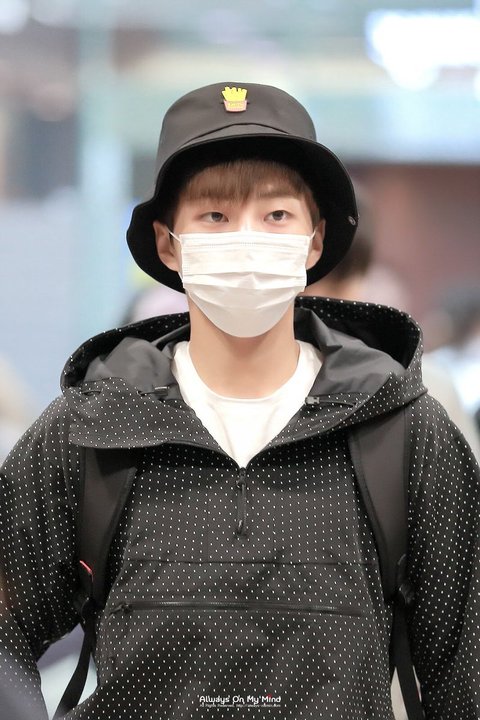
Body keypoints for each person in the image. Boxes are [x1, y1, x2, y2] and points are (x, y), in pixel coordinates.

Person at [0, 82, 479, 720]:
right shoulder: (94, 423)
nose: (246, 239)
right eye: (215, 217)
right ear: (168, 243)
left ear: (314, 241)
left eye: (276, 215)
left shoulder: (400, 425)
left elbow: (465, 667)